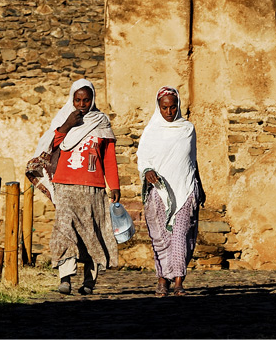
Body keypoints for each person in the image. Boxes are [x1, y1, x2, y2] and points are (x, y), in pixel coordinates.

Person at [26, 78, 120, 295]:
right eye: (77, 100)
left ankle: (89, 281)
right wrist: (68, 125)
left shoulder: (101, 122)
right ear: (72, 99)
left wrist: (113, 185)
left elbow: (108, 158)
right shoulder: (63, 119)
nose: (82, 104)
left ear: (92, 99)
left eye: (86, 100)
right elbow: (51, 145)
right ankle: (65, 278)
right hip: (65, 186)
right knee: (65, 231)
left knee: (92, 233)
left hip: (93, 188)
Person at [137, 86, 204, 297]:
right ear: (158, 107)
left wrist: (199, 186)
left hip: (184, 189)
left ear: (178, 106)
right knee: (161, 237)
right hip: (159, 190)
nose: (169, 112)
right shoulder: (151, 131)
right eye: (165, 107)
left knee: (180, 236)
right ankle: (161, 280)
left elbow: (191, 161)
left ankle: (178, 282)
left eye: (173, 107)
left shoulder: (187, 129)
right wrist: (147, 171)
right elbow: (144, 159)